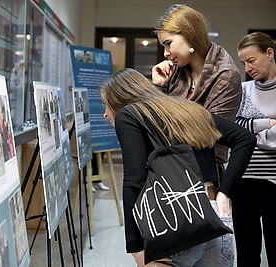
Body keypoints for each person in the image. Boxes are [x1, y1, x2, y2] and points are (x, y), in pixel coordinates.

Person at [100, 68, 256, 267]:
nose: (105, 114)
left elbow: (133, 180)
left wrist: (135, 247)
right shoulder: (188, 109)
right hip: (215, 218)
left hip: (176, 223)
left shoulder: (128, 114)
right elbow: (245, 138)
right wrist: (224, 192)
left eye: (106, 105)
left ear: (119, 100)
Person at [151, 4, 242, 188]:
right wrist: (159, 87)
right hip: (169, 169)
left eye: (168, 43)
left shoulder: (225, 75)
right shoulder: (176, 72)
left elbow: (208, 134)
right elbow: (156, 122)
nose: (166, 53)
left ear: (189, 32)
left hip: (203, 177)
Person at [233, 32, 276, 267]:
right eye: (243, 63)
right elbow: (234, 130)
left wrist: (252, 132)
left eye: (251, 60)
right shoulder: (243, 90)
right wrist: (269, 123)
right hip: (244, 178)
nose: (248, 67)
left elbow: (245, 133)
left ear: (269, 53)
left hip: (274, 180)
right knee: (246, 253)